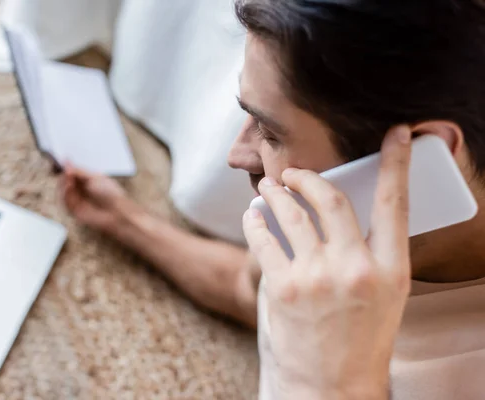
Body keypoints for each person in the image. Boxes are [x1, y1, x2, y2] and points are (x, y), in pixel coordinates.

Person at [61, 0, 485, 399]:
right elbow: (250, 291)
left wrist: (332, 386)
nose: (237, 154)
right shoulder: (320, 236)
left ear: (410, 157)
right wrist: (125, 220)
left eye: (269, 131)